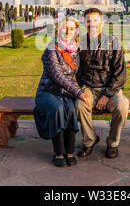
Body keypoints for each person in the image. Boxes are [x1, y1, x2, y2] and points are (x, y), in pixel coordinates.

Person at [33, 17, 92, 167]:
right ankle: (59, 152)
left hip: (65, 92)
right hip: (47, 91)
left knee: (72, 109)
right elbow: (58, 76)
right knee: (58, 109)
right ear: (59, 29)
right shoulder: (51, 49)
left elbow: (75, 75)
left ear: (76, 31)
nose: (67, 31)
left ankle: (70, 152)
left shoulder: (75, 51)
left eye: (71, 29)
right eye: (65, 27)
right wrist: (79, 93)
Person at [75, 8, 128, 159]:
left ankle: (112, 143)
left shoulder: (113, 43)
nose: (92, 24)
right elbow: (77, 71)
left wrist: (106, 95)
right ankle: (89, 140)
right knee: (80, 105)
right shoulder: (80, 43)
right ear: (84, 23)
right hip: (89, 88)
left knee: (122, 107)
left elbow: (120, 74)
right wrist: (81, 90)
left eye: (95, 20)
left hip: (110, 89)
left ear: (102, 23)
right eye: (88, 21)